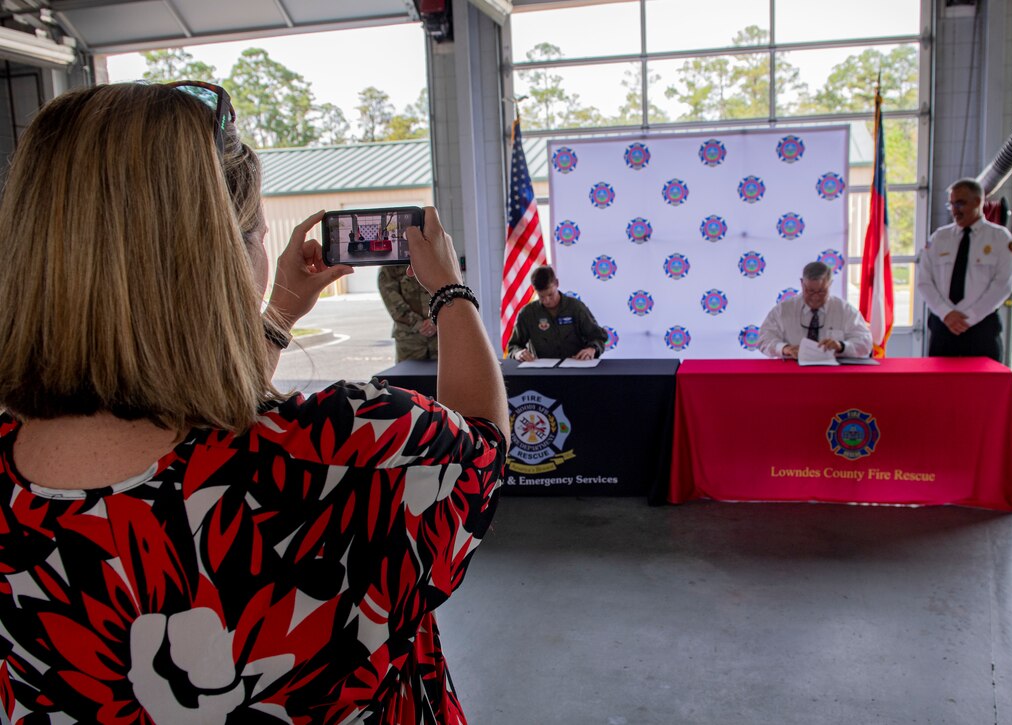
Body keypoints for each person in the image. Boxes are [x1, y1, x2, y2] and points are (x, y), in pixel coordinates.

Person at [0, 82, 509, 724]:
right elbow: (483, 444)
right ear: (226, 257)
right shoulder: (345, 448)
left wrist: (280, 315)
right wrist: (450, 291)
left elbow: (200, 422)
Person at [917, 178, 1012, 361]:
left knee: (983, 388)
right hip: (943, 327)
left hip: (981, 328)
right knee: (940, 387)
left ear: (978, 202)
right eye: (951, 204)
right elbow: (924, 281)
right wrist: (947, 313)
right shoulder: (939, 238)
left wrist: (968, 318)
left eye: (960, 203)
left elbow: (1003, 285)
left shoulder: (1000, 238)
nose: (955, 210)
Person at [757, 261, 873, 359]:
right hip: (793, 372)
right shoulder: (783, 310)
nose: (816, 297)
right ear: (802, 284)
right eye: (810, 291)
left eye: (822, 291)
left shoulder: (845, 310)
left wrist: (842, 346)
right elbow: (763, 339)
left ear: (830, 284)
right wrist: (784, 348)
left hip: (833, 374)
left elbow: (866, 343)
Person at [506, 265, 608, 361]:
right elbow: (513, 346)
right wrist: (518, 353)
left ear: (557, 283)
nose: (547, 301)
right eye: (541, 296)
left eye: (550, 294)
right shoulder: (528, 313)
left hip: (576, 370)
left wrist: (592, 349)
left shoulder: (576, 308)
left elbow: (599, 337)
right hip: (542, 374)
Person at [378, 264, 438, 362]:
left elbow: (450, 294)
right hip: (410, 340)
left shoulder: (436, 259)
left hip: (440, 338)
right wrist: (420, 325)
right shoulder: (391, 267)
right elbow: (392, 302)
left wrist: (435, 321)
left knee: (445, 375)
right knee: (409, 375)